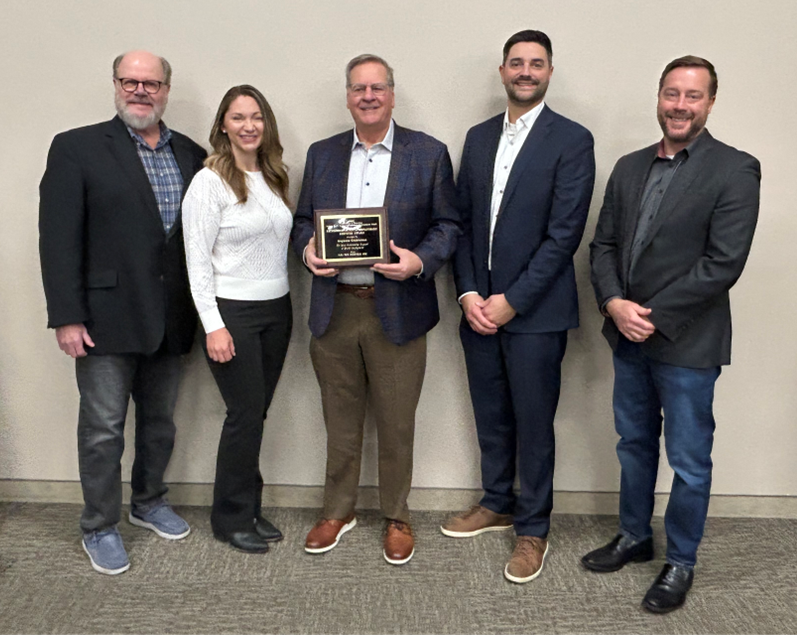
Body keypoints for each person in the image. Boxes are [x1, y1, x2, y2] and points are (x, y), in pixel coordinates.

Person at [584, 56, 760, 613]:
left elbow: (723, 263)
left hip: (687, 343)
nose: (679, 105)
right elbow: (603, 246)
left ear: (710, 103)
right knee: (633, 445)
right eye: (671, 93)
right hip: (627, 336)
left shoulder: (736, 169)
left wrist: (651, 315)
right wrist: (614, 304)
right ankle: (634, 536)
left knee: (689, 460)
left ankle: (680, 560)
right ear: (658, 97)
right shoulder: (629, 167)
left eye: (692, 95)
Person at [39, 51, 206, 575]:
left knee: (159, 424)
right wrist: (66, 316)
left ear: (166, 90)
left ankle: (149, 502)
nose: (140, 91)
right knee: (103, 430)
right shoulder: (76, 147)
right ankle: (99, 525)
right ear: (115, 84)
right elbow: (58, 239)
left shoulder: (193, 154)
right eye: (130, 81)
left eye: (151, 83)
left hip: (172, 317)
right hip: (103, 319)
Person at [291, 54, 460, 565]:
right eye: (358, 88)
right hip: (335, 310)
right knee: (339, 420)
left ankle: (397, 515)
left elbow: (448, 226)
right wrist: (308, 252)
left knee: (396, 422)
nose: (368, 96)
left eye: (377, 88)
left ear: (392, 94)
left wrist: (419, 262)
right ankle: (337, 511)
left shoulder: (428, 153)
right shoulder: (322, 154)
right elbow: (303, 222)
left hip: (398, 309)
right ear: (347, 97)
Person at [442, 30, 595, 584]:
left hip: (536, 313)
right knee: (491, 415)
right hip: (477, 309)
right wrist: (468, 294)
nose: (525, 71)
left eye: (536, 63)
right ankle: (496, 502)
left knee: (533, 423)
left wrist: (512, 301)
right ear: (502, 70)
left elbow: (564, 235)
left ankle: (533, 527)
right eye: (516, 62)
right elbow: (460, 221)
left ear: (549, 71)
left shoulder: (572, 139)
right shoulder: (478, 137)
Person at [182, 86, 293, 554]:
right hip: (233, 313)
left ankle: (249, 507)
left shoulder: (273, 176)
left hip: (277, 309)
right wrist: (213, 325)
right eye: (238, 117)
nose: (249, 126)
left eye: (256, 117)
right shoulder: (209, 182)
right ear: (223, 126)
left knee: (256, 414)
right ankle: (229, 518)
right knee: (244, 415)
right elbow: (196, 260)